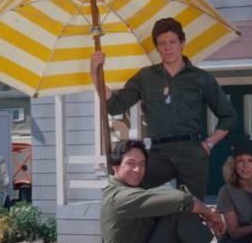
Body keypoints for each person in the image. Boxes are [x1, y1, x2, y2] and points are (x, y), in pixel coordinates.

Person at [90, 17, 236, 200]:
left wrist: (209, 143)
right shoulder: (146, 77)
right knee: (127, 193)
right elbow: (115, 105)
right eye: (162, 43)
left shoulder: (201, 78)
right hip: (159, 153)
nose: (168, 47)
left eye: (172, 42)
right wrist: (96, 75)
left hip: (192, 152)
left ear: (182, 43)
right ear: (157, 47)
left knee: (193, 211)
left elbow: (229, 116)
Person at [101, 139, 246, 243]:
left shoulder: (134, 192)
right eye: (130, 163)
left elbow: (171, 204)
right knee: (176, 214)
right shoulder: (118, 197)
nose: (137, 170)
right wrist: (209, 212)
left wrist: (203, 217)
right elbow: (179, 199)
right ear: (115, 166)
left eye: (142, 164)